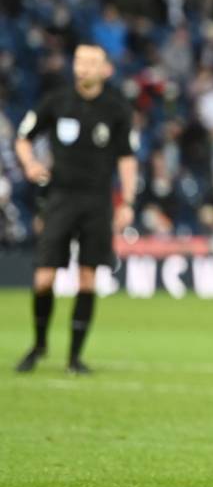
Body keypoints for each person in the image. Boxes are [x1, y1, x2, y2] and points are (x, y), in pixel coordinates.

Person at [13, 42, 137, 375]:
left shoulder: (116, 108)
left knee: (87, 277)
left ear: (105, 69)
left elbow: (127, 158)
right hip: (60, 198)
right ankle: (39, 345)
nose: (83, 67)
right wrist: (29, 164)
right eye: (79, 60)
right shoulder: (56, 101)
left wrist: (127, 201)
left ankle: (74, 358)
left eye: (91, 62)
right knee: (43, 278)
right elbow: (23, 136)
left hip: (97, 202)